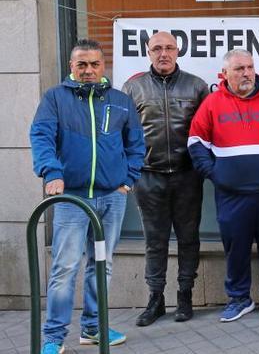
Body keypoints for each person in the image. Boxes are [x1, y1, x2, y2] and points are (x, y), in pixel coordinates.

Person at [31, 39, 145, 353]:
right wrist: (52, 172)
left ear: (103, 66)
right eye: (82, 64)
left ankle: (93, 329)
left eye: (94, 64)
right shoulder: (55, 98)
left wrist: (128, 179)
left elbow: (136, 143)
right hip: (72, 199)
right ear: (72, 67)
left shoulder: (120, 100)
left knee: (102, 264)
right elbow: (41, 136)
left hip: (112, 197)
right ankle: (53, 338)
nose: (88, 70)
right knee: (65, 267)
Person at [187, 49, 259, 322]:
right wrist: (216, 174)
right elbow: (196, 143)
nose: (246, 73)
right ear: (225, 74)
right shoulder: (212, 103)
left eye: (250, 67)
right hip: (231, 194)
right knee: (236, 249)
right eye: (239, 69)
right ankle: (239, 298)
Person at [122, 32, 209, 326]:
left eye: (169, 48)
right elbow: (123, 134)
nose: (163, 53)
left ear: (178, 50)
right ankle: (155, 298)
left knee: (188, 239)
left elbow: (207, 132)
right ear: (147, 52)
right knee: (154, 242)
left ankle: (185, 296)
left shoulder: (196, 86)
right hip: (149, 177)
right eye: (157, 48)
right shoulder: (133, 87)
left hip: (187, 176)